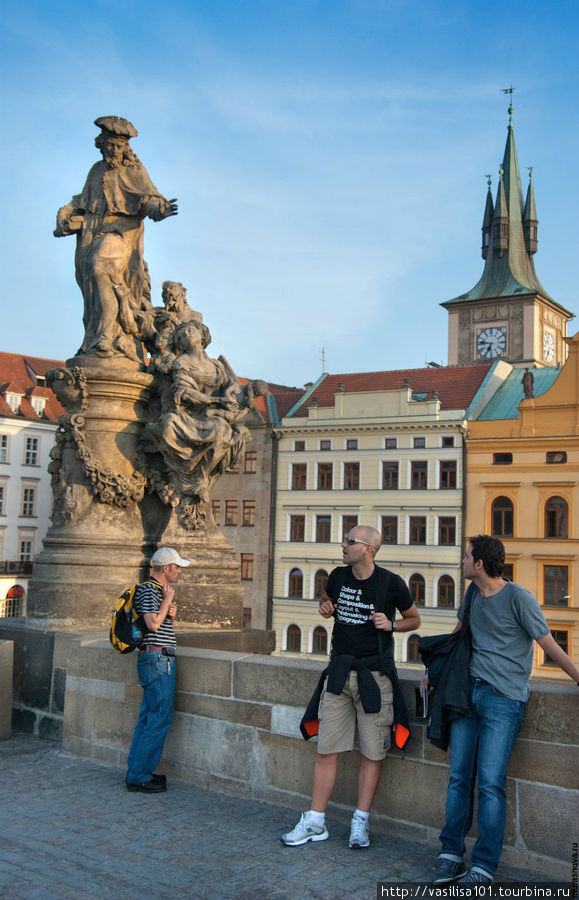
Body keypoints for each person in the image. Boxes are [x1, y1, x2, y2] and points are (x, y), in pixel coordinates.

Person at [430, 535, 579, 884]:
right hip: (468, 695)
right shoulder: (471, 595)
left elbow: (550, 646)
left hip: (504, 699)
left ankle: (483, 868)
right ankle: (450, 854)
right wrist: (435, 672)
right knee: (458, 779)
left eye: (466, 557)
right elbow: (458, 634)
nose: (462, 562)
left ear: (479, 564)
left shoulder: (519, 598)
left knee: (491, 784)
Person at [281, 526, 420, 849]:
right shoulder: (338, 576)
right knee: (326, 748)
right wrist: (325, 607)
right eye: (345, 540)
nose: (343, 545)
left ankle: (361, 822)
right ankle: (315, 821)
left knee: (372, 753)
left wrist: (393, 625)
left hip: (375, 677)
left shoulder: (391, 583)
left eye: (350, 541)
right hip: (339, 674)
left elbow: (414, 619)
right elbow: (327, 600)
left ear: (368, 549)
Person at [54, 116, 177, 361]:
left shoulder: (133, 171)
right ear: (101, 145)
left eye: (118, 146)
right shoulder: (96, 171)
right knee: (92, 286)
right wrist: (66, 211)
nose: (113, 150)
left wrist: (159, 209)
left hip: (120, 233)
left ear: (125, 148)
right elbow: (83, 201)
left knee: (101, 268)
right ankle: (97, 336)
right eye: (109, 145)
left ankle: (106, 336)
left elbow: (147, 197)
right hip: (93, 233)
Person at [125, 546, 190, 793]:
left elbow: (157, 621)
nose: (180, 572)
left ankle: (136, 771)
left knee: (147, 719)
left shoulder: (152, 592)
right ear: (166, 568)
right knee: (157, 720)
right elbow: (153, 624)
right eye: (177, 567)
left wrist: (168, 611)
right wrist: (167, 602)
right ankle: (140, 776)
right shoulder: (150, 591)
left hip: (154, 660)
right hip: (158, 661)